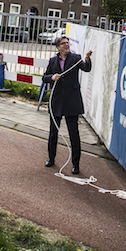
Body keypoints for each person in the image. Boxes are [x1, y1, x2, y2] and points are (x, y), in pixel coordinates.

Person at [43, 35, 93, 175]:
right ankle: (51, 158)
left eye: (67, 43)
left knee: (74, 134)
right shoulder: (53, 61)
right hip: (57, 101)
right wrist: (52, 77)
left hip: (72, 101)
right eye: (63, 43)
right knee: (53, 133)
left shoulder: (76, 58)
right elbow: (44, 77)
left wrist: (87, 59)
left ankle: (75, 164)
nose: (67, 45)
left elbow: (86, 68)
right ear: (58, 47)